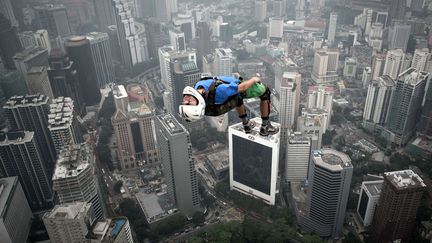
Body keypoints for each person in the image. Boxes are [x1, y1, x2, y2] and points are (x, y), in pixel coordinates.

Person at [179, 75, 278, 136]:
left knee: (236, 98)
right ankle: (265, 126)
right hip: (237, 88)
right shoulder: (220, 91)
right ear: (198, 104)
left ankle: (246, 124)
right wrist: (254, 79)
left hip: (229, 96)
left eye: (184, 102)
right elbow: (242, 88)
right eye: (189, 103)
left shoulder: (198, 90)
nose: (186, 100)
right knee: (265, 92)